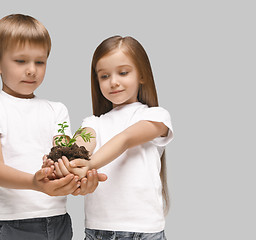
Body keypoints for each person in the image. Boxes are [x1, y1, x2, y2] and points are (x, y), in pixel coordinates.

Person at [0, 14, 105, 240]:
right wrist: (34, 183)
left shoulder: (57, 110)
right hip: (11, 224)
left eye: (40, 62)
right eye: (21, 61)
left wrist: (78, 181)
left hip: (59, 220)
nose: (32, 70)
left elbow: (62, 156)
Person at [54, 36, 174, 240]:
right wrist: (66, 161)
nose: (114, 82)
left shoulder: (156, 116)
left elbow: (126, 139)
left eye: (123, 72)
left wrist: (89, 164)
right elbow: (82, 145)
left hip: (144, 231)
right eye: (104, 76)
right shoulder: (92, 122)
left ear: (142, 75)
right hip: (98, 231)